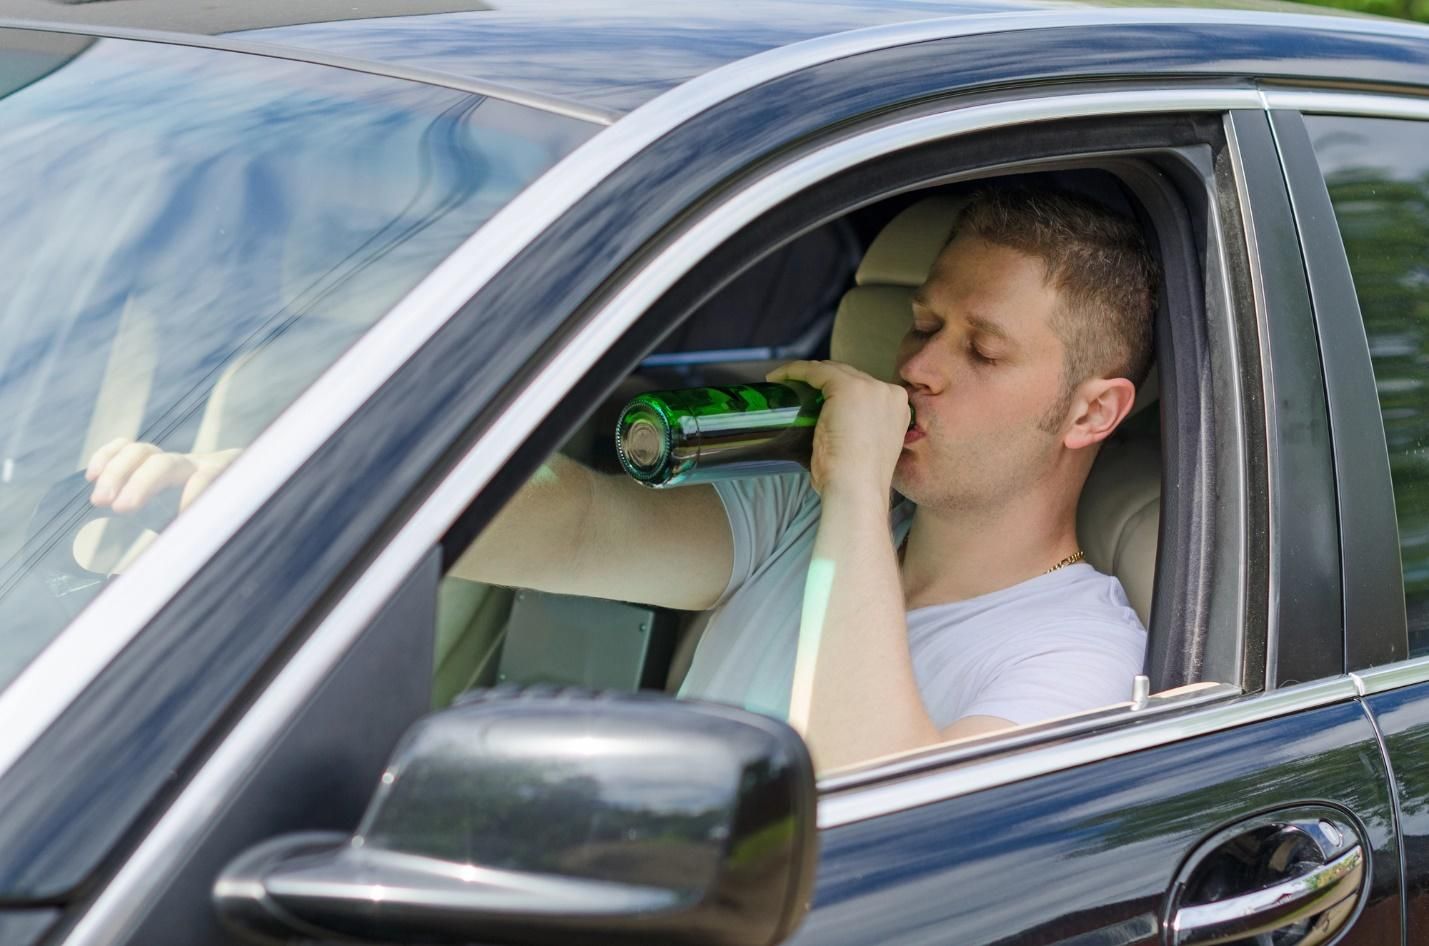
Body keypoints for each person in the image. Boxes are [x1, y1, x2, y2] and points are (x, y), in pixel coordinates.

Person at [86, 184, 1159, 773]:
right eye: (921, 324)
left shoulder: (1080, 648)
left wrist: (851, 485)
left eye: (980, 349)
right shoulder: (805, 510)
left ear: (1090, 411)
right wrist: (278, 490)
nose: (917, 363)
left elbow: (861, 791)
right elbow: (570, 527)